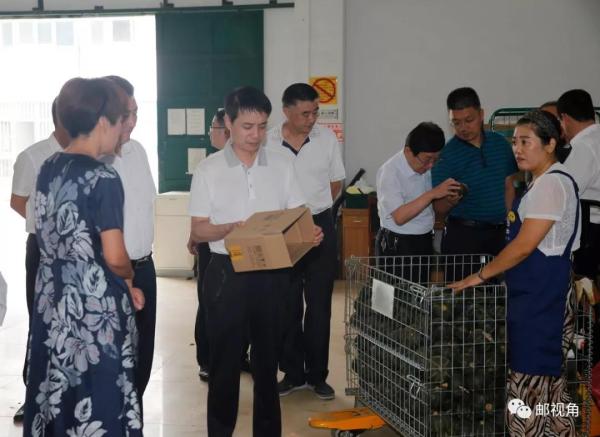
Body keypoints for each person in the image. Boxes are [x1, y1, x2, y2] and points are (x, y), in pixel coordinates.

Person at [188, 86, 322, 437]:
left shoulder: (281, 163)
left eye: (262, 126)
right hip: (226, 273)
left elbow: (297, 213)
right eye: (247, 127)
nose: (256, 135)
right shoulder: (208, 170)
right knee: (224, 364)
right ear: (229, 124)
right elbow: (199, 230)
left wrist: (308, 233)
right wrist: (227, 228)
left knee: (266, 365)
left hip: (270, 274)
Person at [24, 77, 145, 435]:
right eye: (120, 120)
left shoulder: (48, 166)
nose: (123, 129)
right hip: (93, 304)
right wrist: (129, 279)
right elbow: (115, 255)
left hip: (52, 298)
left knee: (58, 389)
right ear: (103, 122)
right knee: (100, 391)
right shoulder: (102, 177)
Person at [450, 110, 579, 436]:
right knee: (552, 390)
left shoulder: (551, 184)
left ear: (550, 144)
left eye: (526, 142)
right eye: (515, 142)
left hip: (542, 300)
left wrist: (479, 276)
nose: (517, 149)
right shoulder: (541, 181)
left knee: (527, 389)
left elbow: (523, 247)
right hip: (538, 294)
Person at [265, 83, 345, 400]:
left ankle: (317, 375)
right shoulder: (268, 140)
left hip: (319, 225)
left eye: (315, 113)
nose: (311, 119)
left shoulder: (326, 139)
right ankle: (292, 373)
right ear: (286, 111)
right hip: (282, 228)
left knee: (320, 305)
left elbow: (336, 181)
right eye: (304, 114)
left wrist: (315, 210)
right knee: (286, 304)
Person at [9, 98, 70, 423]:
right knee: (40, 321)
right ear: (62, 118)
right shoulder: (32, 156)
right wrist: (45, 225)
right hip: (42, 249)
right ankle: (33, 395)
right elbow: (17, 201)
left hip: (76, 252)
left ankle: (67, 392)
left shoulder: (86, 155)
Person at [100, 75, 157, 402]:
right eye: (126, 114)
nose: (132, 121)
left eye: (135, 113)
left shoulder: (138, 152)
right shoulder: (92, 162)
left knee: (142, 352)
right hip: (109, 273)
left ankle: (134, 413)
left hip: (144, 267)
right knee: (111, 354)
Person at [186, 108, 239, 382]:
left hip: (237, 245)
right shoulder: (209, 167)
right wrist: (194, 236)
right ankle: (207, 359)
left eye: (213, 128)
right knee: (208, 301)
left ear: (226, 131)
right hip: (212, 243)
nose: (210, 133)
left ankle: (239, 356)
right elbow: (200, 214)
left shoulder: (242, 164)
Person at [432, 87, 518, 256]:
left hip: (500, 234)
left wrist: (511, 224)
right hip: (464, 235)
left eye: (468, 120)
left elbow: (508, 187)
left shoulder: (500, 144)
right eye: (456, 123)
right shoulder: (446, 155)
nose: (463, 128)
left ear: (481, 114)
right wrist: (450, 201)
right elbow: (438, 208)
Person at [376, 122, 460, 259]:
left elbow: (435, 208)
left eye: (435, 159)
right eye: (427, 159)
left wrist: (450, 200)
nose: (430, 165)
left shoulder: (427, 167)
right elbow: (400, 217)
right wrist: (432, 193)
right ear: (408, 151)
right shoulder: (390, 172)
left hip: (424, 239)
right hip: (397, 244)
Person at [558, 89, 600, 278]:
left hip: (592, 231)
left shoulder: (583, 146)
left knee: (585, 285)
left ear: (565, 118)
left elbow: (565, 191)